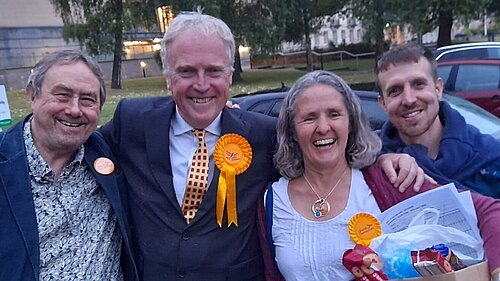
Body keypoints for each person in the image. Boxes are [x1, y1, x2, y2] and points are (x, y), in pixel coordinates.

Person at [100, 10, 426, 280]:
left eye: (213, 71)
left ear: (229, 75)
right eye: (186, 71)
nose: (201, 84)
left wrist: (386, 157)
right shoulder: (133, 120)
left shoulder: (263, 134)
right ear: (169, 75)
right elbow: (85, 146)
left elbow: (326, 145)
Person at [258, 70, 500, 280]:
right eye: (309, 118)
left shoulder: (389, 180)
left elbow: (487, 211)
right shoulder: (271, 201)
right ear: (291, 130)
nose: (323, 127)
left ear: (351, 122)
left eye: (334, 114)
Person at [0, 50, 137, 280]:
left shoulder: (107, 152)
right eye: (62, 95)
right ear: (32, 95)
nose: (74, 110)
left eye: (87, 100)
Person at [375, 43, 500, 198]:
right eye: (395, 91)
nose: (409, 99)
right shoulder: (369, 161)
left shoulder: (491, 158)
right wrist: (379, 160)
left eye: (418, 84)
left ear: (438, 89)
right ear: (383, 103)